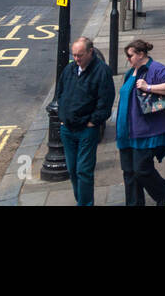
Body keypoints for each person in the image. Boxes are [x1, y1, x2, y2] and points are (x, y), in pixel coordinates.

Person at [116, 38, 165, 206]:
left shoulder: (155, 68)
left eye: (130, 56)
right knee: (129, 174)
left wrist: (148, 87)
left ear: (141, 54)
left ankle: (163, 191)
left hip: (145, 132)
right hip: (126, 132)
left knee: (141, 171)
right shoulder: (131, 72)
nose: (127, 59)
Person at [55, 36, 115, 207]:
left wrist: (93, 122)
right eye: (74, 55)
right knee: (73, 170)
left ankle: (85, 204)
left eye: (80, 55)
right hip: (67, 129)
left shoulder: (102, 71)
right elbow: (60, 92)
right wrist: (62, 117)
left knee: (84, 171)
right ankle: (81, 201)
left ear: (90, 52)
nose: (76, 59)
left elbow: (106, 100)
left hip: (87, 130)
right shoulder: (69, 69)